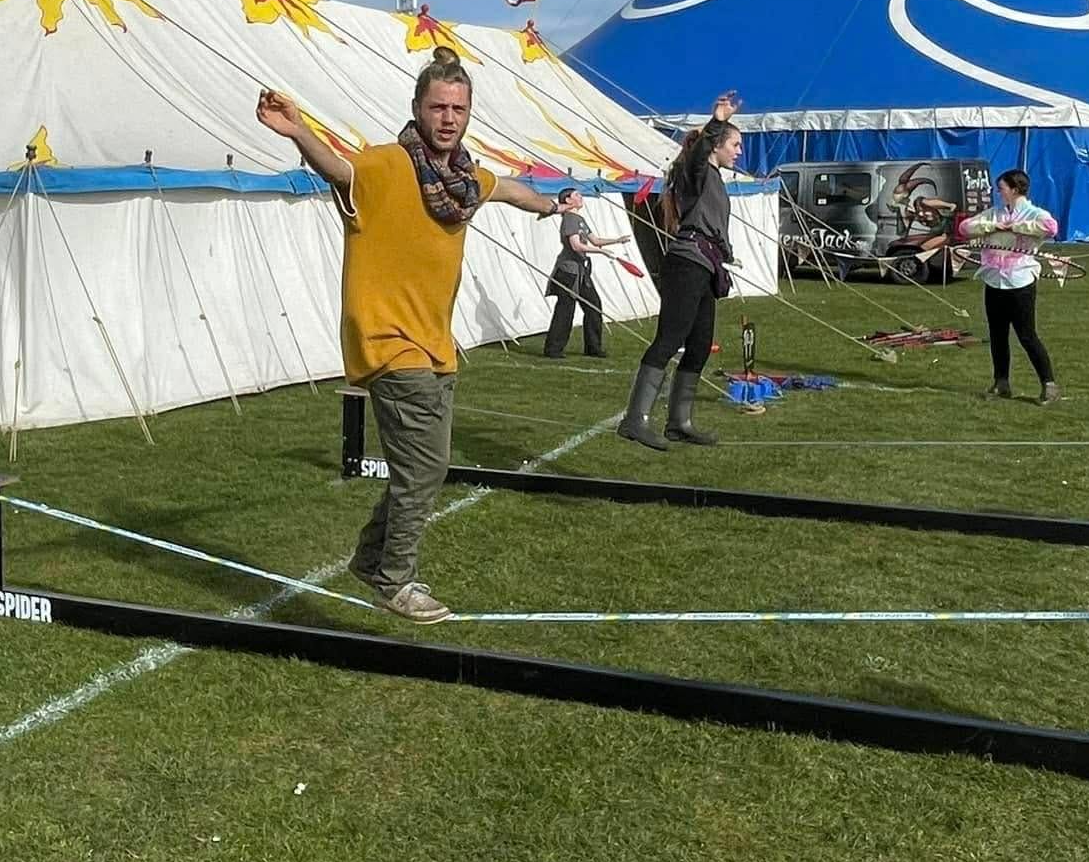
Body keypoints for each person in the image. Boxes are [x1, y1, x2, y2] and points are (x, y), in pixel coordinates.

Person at [255, 48, 577, 623]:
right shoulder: (386, 164)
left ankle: (372, 558)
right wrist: (298, 131)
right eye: (437, 107)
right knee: (424, 468)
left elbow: (508, 189)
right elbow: (339, 169)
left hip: (436, 345)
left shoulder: (465, 181)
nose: (448, 118)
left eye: (458, 108)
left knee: (428, 464)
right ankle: (394, 580)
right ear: (417, 108)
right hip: (387, 341)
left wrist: (551, 206)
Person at [618, 95, 741, 450]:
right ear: (715, 146)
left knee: (700, 345)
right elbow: (697, 156)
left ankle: (679, 421)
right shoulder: (697, 171)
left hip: (705, 265)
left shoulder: (714, 178)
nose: (739, 151)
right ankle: (634, 419)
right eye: (735, 144)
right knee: (669, 339)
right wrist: (716, 120)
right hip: (687, 263)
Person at [954, 168, 1061, 405]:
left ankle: (1049, 385)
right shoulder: (995, 213)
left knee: (1027, 335)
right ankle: (1001, 382)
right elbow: (964, 229)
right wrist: (992, 227)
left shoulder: (1034, 213)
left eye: (1001, 188)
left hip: (1020, 281)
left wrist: (1015, 228)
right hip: (994, 281)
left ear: (1014, 189)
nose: (998, 192)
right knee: (997, 335)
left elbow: (1051, 228)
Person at [541, 187, 627, 359]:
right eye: (577, 195)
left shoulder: (580, 219)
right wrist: (601, 252)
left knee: (594, 305)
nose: (581, 197)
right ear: (568, 201)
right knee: (566, 309)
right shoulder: (569, 219)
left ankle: (593, 347)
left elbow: (595, 240)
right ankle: (553, 349)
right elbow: (576, 245)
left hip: (581, 271)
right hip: (568, 272)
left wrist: (616, 241)